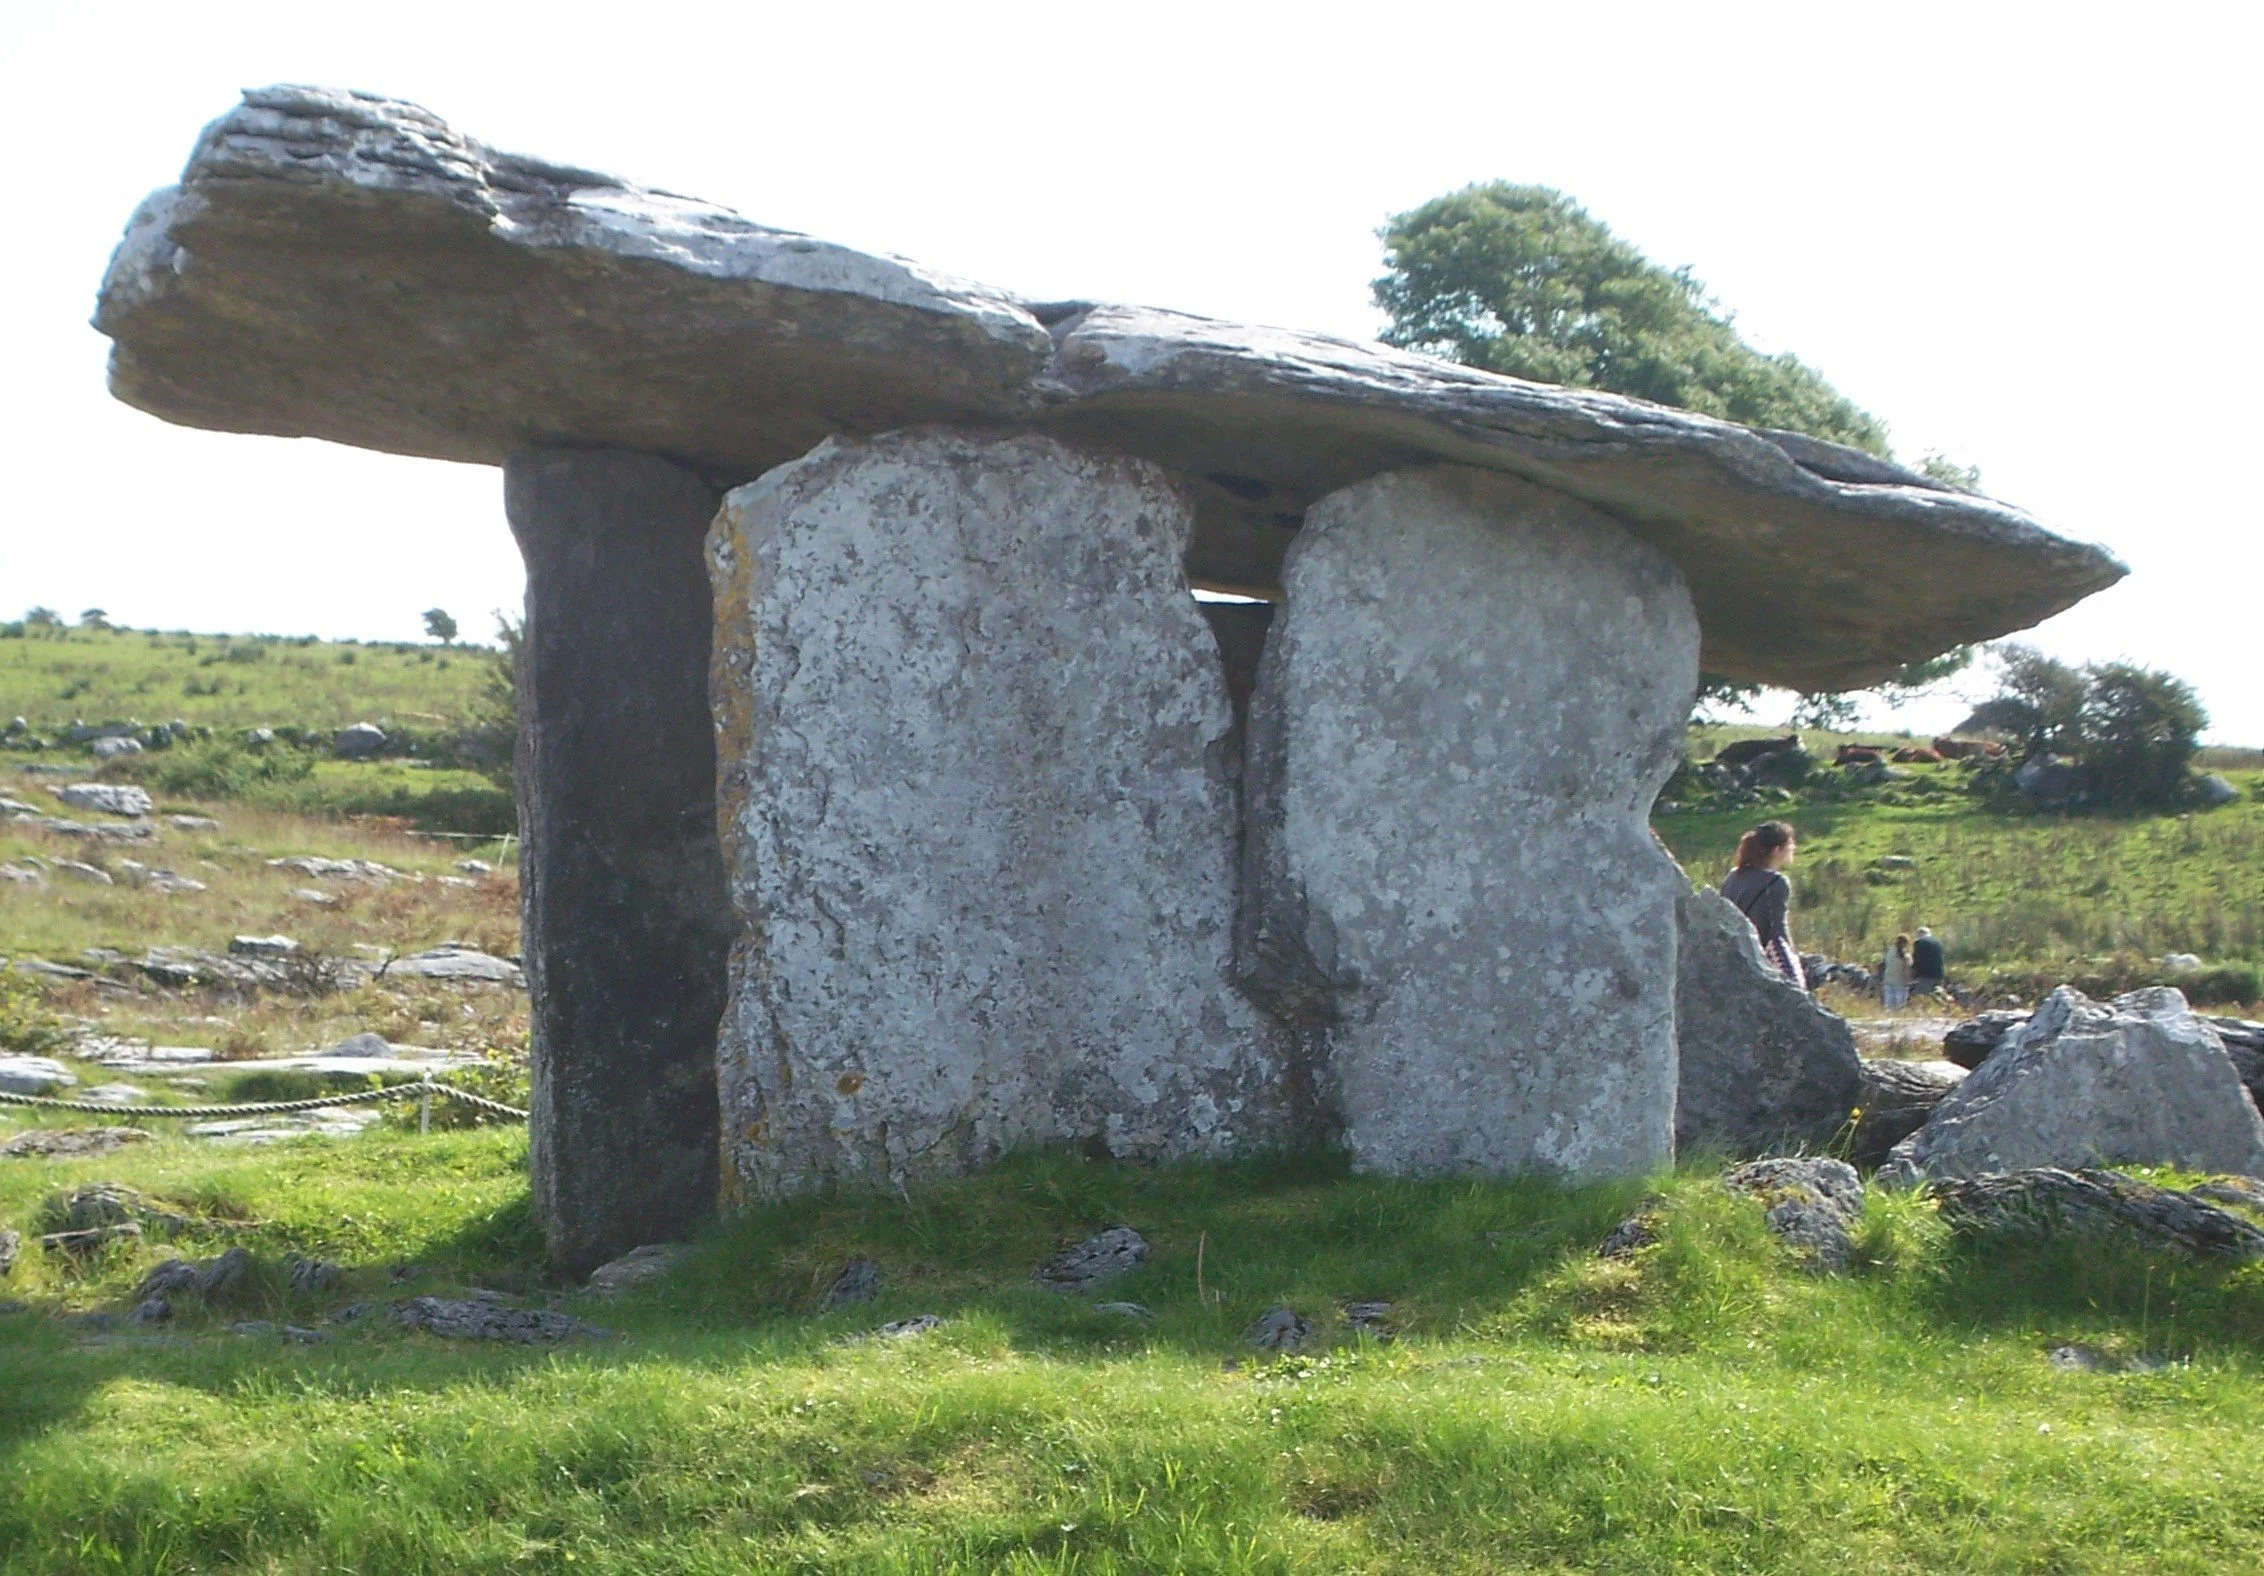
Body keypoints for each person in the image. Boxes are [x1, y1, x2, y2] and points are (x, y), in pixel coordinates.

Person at [1720, 820, 1804, 989]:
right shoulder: (1776, 882)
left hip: (1728, 955)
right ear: (1777, 850)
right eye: (1790, 844)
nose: (1793, 847)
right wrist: (1793, 973)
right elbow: (1776, 932)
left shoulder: (1733, 877)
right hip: (1756, 956)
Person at [1910, 926, 1947, 996]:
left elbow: (1917, 959)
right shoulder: (1938, 942)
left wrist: (1913, 972)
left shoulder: (1920, 942)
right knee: (1936, 995)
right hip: (1940, 974)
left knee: (1918, 996)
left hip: (1926, 975)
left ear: (1919, 934)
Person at [1881, 933, 1913, 1009]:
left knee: (1889, 1005)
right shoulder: (1906, 956)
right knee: (1900, 1005)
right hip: (1900, 982)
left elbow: (1885, 964)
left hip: (1888, 979)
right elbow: (1909, 967)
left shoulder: (1889, 952)